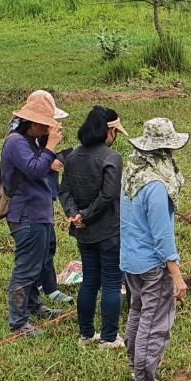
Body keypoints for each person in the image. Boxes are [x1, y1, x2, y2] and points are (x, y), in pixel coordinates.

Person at [120, 117, 190, 381]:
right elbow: (162, 235)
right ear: (163, 152)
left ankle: (136, 369)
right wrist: (176, 274)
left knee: (138, 313)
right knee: (155, 323)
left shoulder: (131, 174)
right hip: (152, 264)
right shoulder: (156, 187)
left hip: (130, 260)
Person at [59, 106, 128, 348]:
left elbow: (64, 190)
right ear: (109, 131)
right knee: (111, 283)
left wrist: (74, 215)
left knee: (89, 281)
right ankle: (109, 338)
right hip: (109, 231)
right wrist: (86, 215)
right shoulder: (112, 158)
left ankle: (86, 335)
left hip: (84, 233)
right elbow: (108, 196)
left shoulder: (73, 156)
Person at [0, 91, 67, 335]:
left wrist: (46, 150)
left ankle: (34, 305)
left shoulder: (31, 142)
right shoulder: (16, 142)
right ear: (34, 122)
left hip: (39, 212)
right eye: (46, 124)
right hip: (26, 214)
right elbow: (35, 170)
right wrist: (50, 147)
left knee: (38, 263)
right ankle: (18, 322)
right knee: (26, 267)